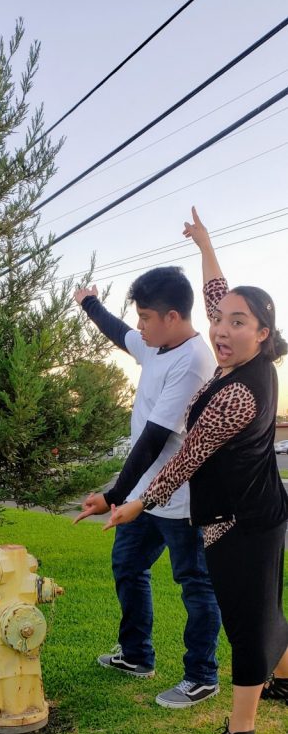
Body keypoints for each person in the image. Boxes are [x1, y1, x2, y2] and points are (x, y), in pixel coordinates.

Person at [104, 207, 288, 734]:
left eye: (237, 323)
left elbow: (186, 459)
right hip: (261, 510)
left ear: (262, 333)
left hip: (240, 521)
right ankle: (284, 680)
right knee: (266, 607)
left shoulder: (238, 393)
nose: (222, 329)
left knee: (246, 622)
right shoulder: (247, 358)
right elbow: (216, 293)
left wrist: (136, 502)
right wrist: (205, 244)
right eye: (221, 319)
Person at [73, 266, 222, 708]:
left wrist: (113, 496)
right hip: (144, 496)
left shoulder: (193, 362)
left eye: (145, 317)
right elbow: (120, 333)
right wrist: (89, 303)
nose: (139, 325)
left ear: (172, 316)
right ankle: (137, 655)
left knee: (195, 585)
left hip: (183, 499)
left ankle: (202, 676)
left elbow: (154, 438)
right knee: (128, 566)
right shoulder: (156, 344)